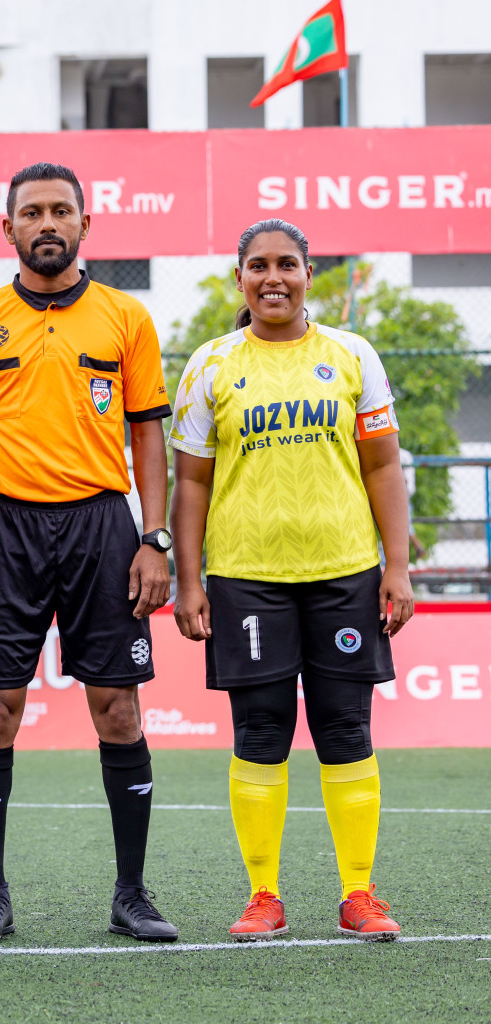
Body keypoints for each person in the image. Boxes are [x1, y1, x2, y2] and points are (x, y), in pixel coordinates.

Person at [0, 162, 178, 943]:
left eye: (61, 210)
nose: (47, 222)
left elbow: (148, 433)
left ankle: (132, 894)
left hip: (104, 529)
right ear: (6, 229)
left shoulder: (124, 318)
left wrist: (154, 537)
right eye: (31, 212)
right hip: (4, 529)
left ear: (85, 224)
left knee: (118, 709)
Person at [170, 219, 413, 942]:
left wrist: (395, 565)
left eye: (287, 264)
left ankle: (359, 894)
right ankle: (263, 894)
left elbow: (382, 466)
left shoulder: (351, 355)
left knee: (346, 727)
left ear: (310, 273)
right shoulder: (209, 365)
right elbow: (190, 484)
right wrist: (190, 580)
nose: (272, 277)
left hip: (344, 571)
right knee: (261, 730)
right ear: (238, 279)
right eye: (257, 266)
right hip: (246, 578)